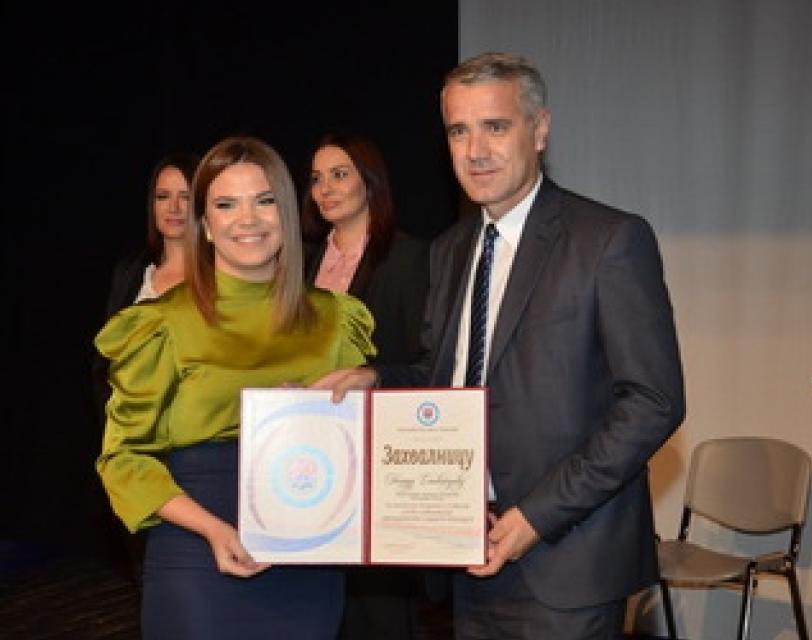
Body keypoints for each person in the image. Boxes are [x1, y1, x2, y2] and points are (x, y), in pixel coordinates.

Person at [313, 52, 685, 639]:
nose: (475, 150)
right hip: (468, 552)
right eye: (458, 131)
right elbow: (445, 378)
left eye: (495, 126)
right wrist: (377, 378)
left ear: (539, 130)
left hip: (567, 563)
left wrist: (535, 517)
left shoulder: (609, 240)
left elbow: (652, 402)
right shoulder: (450, 249)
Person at [94, 135, 376, 639]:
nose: (248, 219)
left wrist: (346, 401)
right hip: (197, 550)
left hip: (308, 553)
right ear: (205, 224)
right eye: (226, 205)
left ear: (286, 213)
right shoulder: (163, 323)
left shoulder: (336, 319)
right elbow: (123, 458)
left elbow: (366, 446)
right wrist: (212, 529)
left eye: (264, 201)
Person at [301, 133, 430, 639]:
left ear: (370, 182)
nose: (325, 189)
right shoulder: (302, 262)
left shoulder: (408, 257)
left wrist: (371, 379)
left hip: (381, 457)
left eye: (340, 174)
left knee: (381, 612)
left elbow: (426, 364)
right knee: (325, 606)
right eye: (316, 178)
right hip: (314, 457)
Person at [90, 151, 199, 586]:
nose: (173, 208)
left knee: (191, 573)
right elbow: (103, 361)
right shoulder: (133, 272)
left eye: (185, 197)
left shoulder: (222, 276)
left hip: (192, 452)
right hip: (134, 452)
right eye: (162, 196)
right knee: (147, 575)